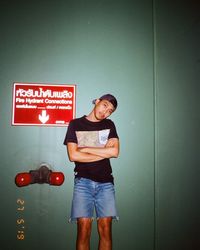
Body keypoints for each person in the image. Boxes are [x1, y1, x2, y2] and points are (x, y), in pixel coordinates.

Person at [63, 94, 120, 250]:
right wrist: (103, 150)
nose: (105, 112)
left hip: (106, 183)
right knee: (84, 228)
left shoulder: (110, 125)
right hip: (83, 182)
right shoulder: (75, 124)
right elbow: (73, 155)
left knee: (106, 229)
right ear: (97, 101)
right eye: (105, 105)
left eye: (110, 110)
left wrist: (86, 149)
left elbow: (114, 152)